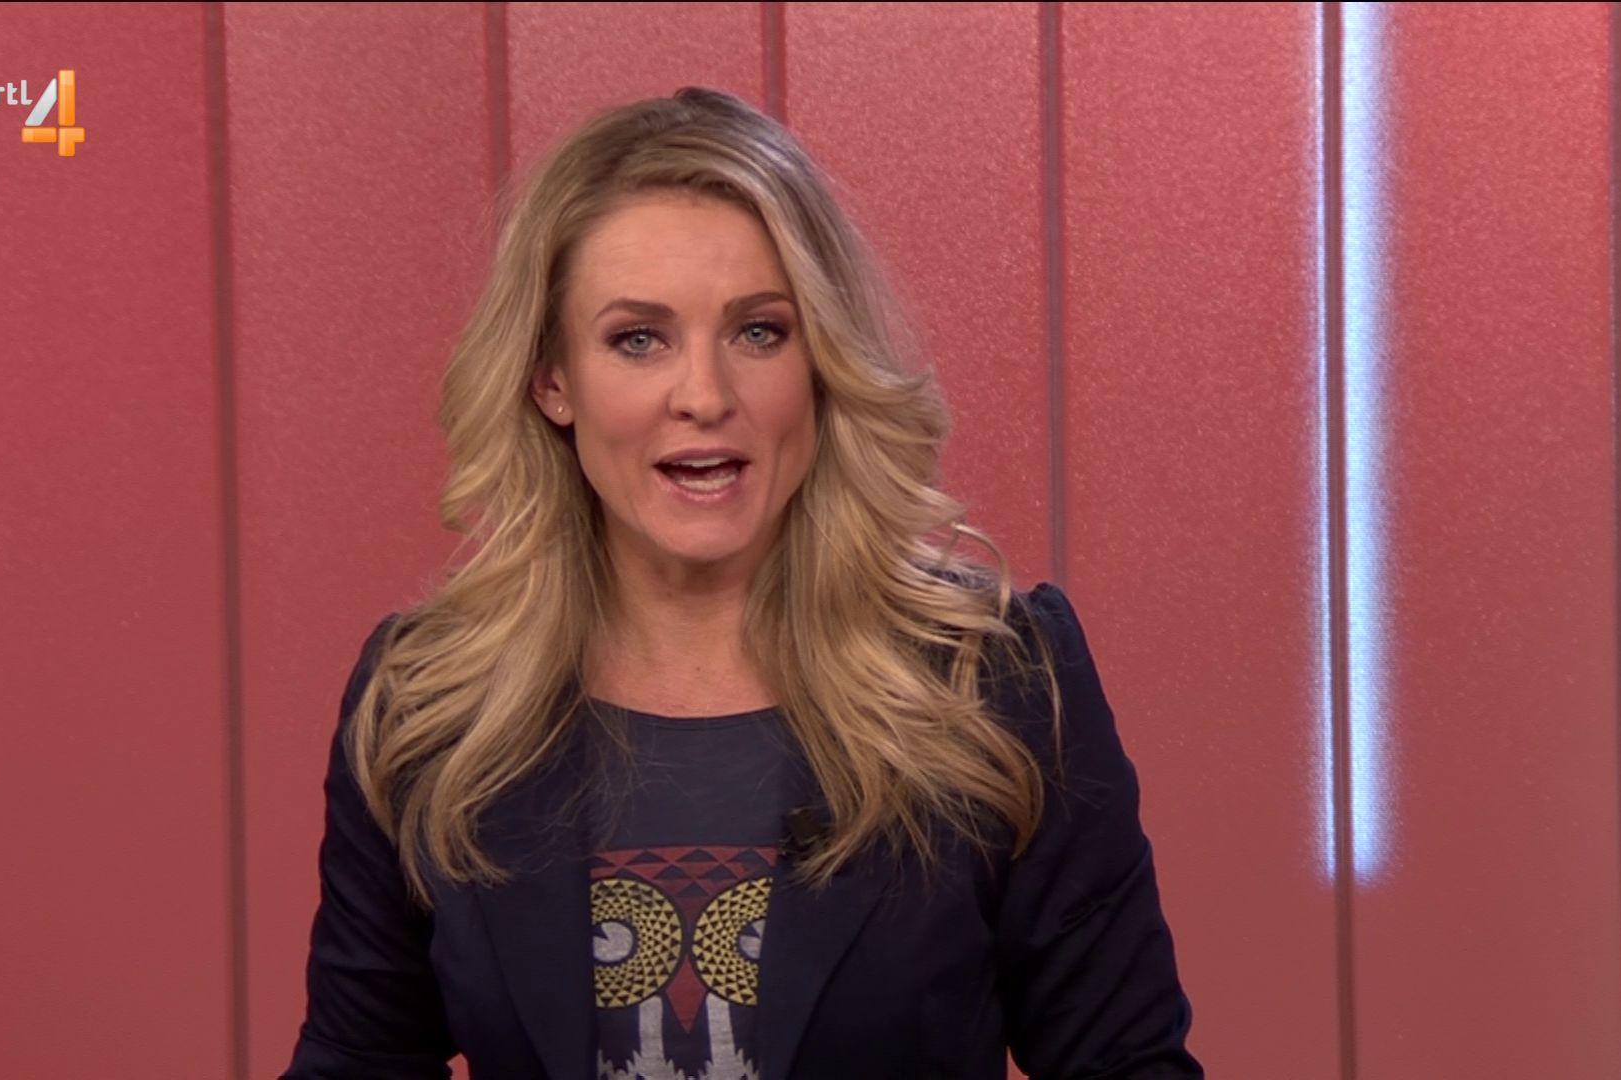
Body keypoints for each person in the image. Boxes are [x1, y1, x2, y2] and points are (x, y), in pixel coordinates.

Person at [284, 86, 1201, 1080]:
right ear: (552, 380)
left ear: (821, 362)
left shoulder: (1000, 680)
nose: (705, 396)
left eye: (759, 332)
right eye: (639, 338)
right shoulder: (428, 705)